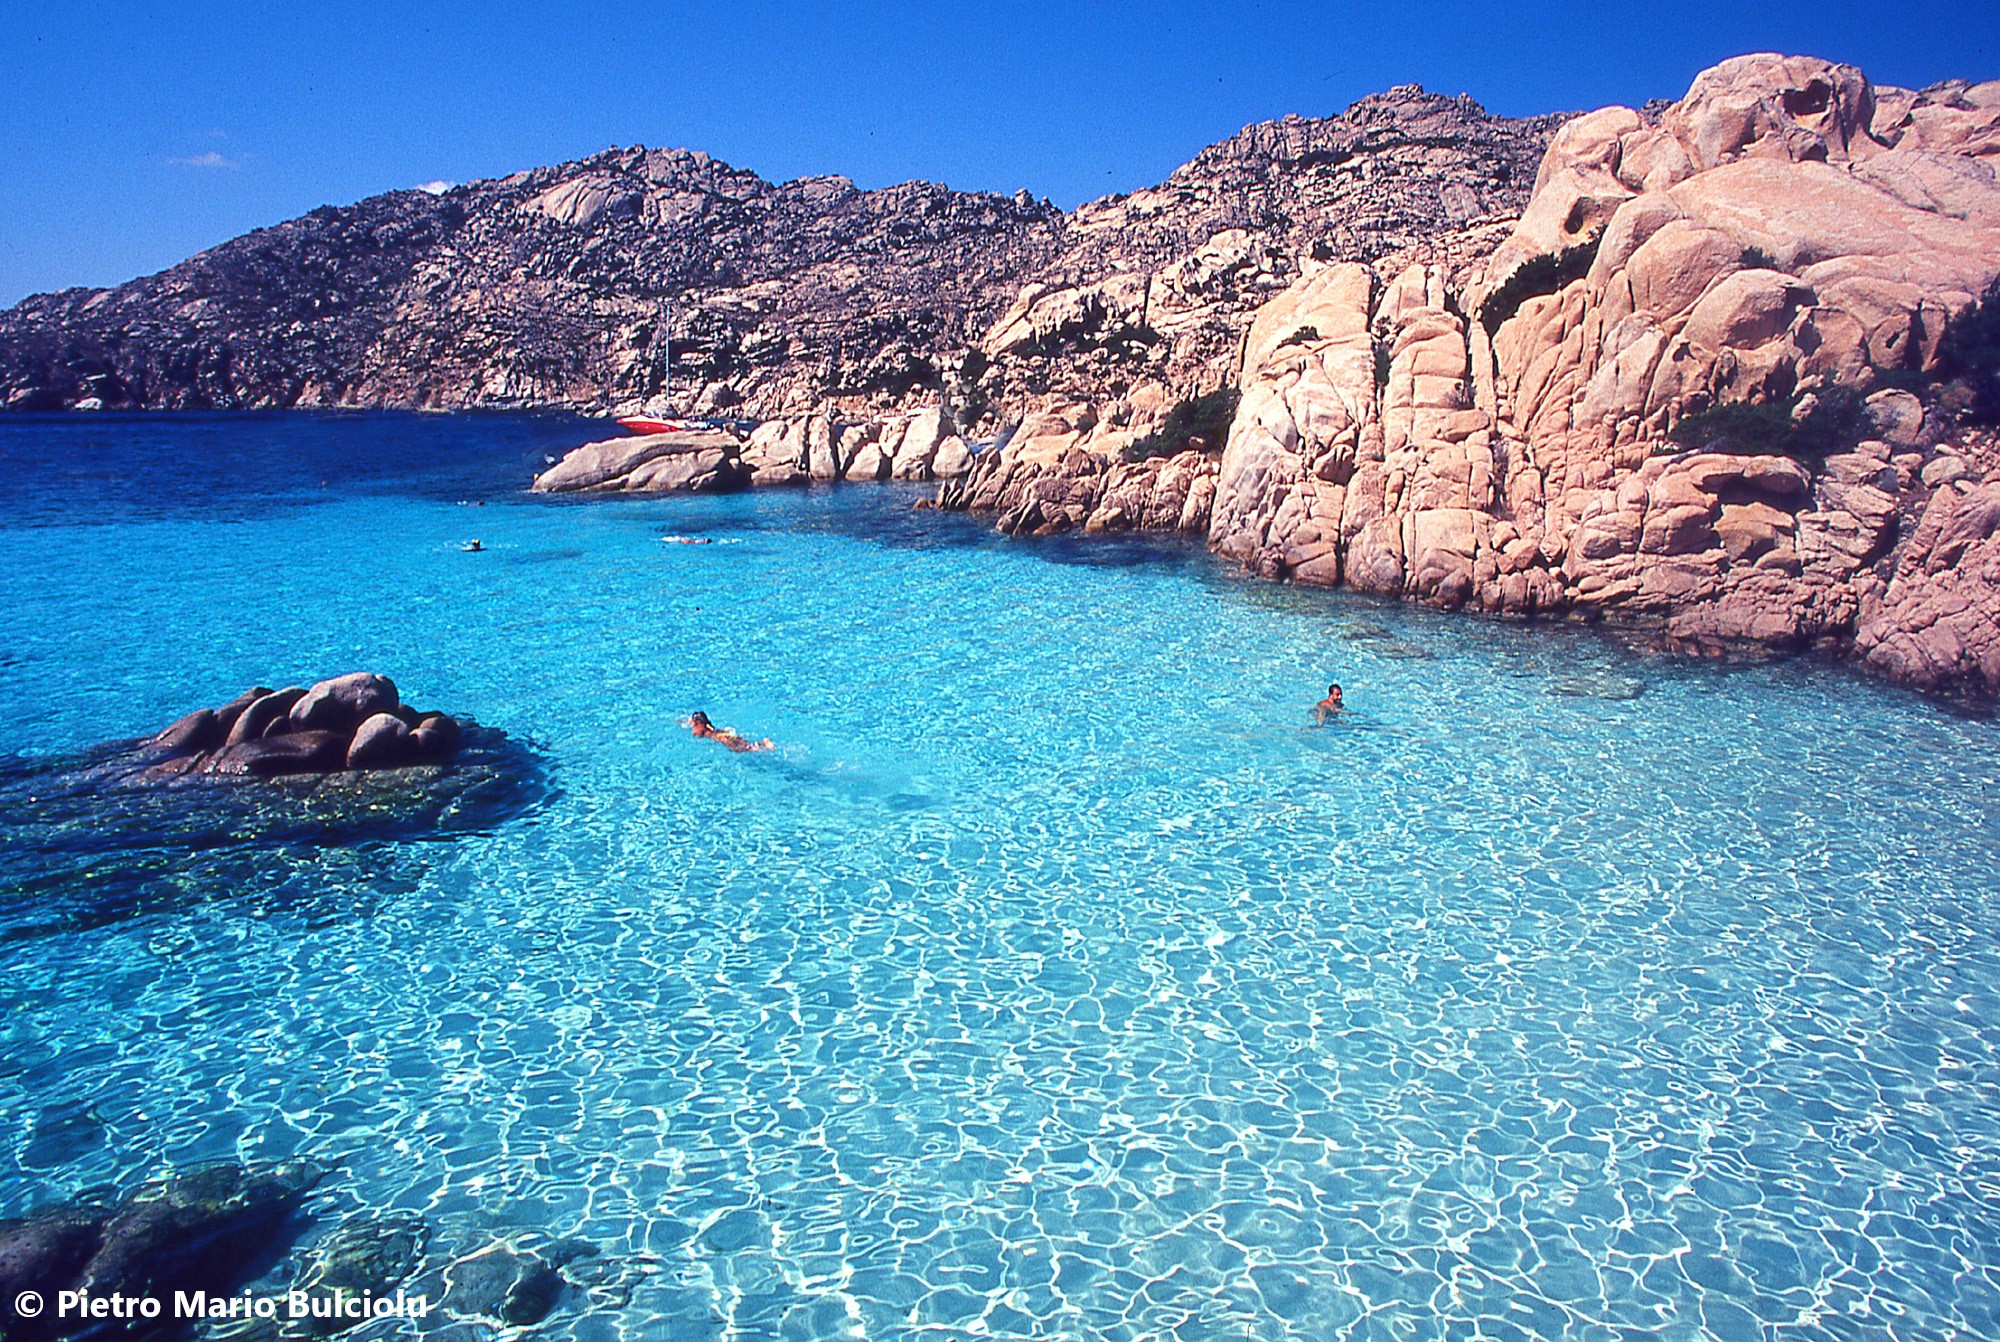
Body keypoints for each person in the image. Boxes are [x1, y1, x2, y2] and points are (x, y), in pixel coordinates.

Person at [686, 711, 773, 753]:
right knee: (743, 744)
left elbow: (730, 743)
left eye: (693, 726)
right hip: (725, 734)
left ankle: (764, 744)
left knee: (742, 748)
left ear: (699, 724)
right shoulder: (708, 730)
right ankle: (763, 743)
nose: (692, 731)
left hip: (725, 736)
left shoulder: (718, 737)